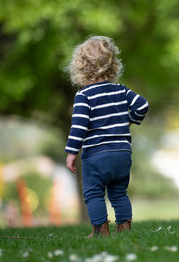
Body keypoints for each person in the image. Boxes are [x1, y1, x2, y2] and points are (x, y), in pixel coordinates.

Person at [64, 36, 148, 238]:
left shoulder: (84, 96)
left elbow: (79, 127)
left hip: (96, 155)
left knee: (93, 193)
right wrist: (128, 120)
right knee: (119, 193)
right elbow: (142, 105)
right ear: (112, 64)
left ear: (81, 67)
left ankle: (101, 231)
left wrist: (71, 152)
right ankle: (124, 229)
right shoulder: (121, 90)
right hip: (121, 154)